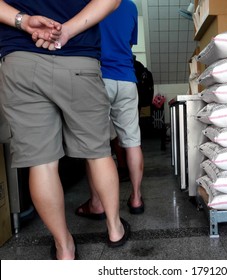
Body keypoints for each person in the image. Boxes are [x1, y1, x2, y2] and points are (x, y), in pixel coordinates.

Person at [0, 0, 129, 260]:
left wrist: (22, 21)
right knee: (98, 152)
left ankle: (64, 246)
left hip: (21, 59)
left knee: (42, 163)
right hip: (78, 58)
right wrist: (67, 30)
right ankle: (115, 229)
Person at [75, 0, 145, 218]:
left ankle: (97, 203)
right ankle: (136, 198)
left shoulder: (89, 3)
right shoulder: (131, 7)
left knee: (96, 145)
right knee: (132, 142)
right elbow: (129, 44)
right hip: (126, 79)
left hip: (98, 78)